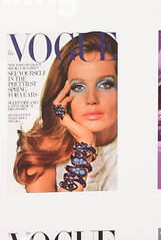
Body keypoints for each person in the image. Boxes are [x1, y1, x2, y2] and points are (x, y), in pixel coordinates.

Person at [13, 31, 117, 192]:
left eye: (105, 85)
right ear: (62, 95)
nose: (91, 99)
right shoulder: (41, 154)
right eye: (78, 87)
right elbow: (54, 216)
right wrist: (85, 147)